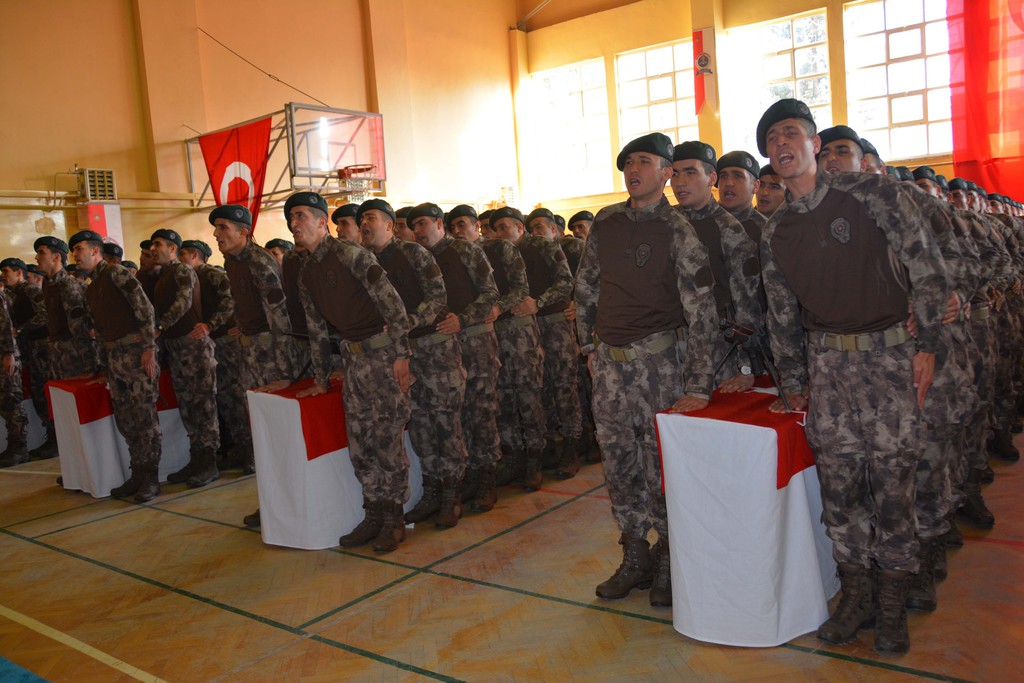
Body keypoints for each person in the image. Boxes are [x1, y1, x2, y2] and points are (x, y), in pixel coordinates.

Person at [756, 98, 949, 653]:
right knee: (840, 490)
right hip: (828, 369)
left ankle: (892, 605)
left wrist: (929, 345)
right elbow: (780, 312)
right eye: (771, 141)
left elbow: (926, 266)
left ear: (815, 143)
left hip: (890, 360)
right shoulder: (777, 230)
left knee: (892, 486)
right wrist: (794, 381)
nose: (780, 146)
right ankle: (855, 594)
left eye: (791, 134)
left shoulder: (873, 194)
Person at [575, 132, 719, 608]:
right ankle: (634, 554)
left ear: (666, 172)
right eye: (628, 163)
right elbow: (586, 288)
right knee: (618, 463)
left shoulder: (678, 227)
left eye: (644, 161)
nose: (633, 169)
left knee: (661, 465)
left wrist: (698, 383)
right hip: (610, 366)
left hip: (660, 363)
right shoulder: (607, 222)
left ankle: (669, 558)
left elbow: (702, 310)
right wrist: (587, 345)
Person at [292, 192, 413, 553]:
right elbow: (316, 329)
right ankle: (373, 513)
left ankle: (393, 518)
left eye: (300, 216)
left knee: (387, 438)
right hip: (353, 361)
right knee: (361, 441)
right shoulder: (306, 271)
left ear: (320, 221)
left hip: (383, 354)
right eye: (290, 218)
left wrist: (402, 355)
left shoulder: (351, 255)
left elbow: (395, 307)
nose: (294, 224)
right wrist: (319, 377)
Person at [360, 199, 471, 525]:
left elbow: (438, 297)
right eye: (361, 218)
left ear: (390, 225)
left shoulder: (413, 254)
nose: (364, 224)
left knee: (445, 423)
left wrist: (406, 322)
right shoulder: (366, 262)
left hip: (435, 351)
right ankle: (433, 491)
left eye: (370, 217)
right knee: (420, 426)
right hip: (402, 355)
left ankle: (452, 494)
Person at [411, 203, 503, 506]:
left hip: (474, 344)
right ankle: (463, 477)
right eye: (414, 226)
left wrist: (462, 319)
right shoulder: (417, 258)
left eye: (423, 223)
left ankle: (487, 478)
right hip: (440, 351)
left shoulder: (466, 251)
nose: (418, 231)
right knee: (455, 418)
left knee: (481, 411)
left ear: (440, 224)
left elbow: (490, 293)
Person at [449, 205, 542, 491]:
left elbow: (520, 288)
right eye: (452, 226)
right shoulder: (454, 255)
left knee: (527, 393)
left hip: (516, 331)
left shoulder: (500, 249)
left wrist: (499, 307)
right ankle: (512, 458)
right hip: (484, 337)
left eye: (462, 224)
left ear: (476, 225)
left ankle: (535, 460)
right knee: (501, 401)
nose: (457, 231)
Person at [213, 204, 295, 526]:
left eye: (223, 228)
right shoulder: (231, 262)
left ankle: (284, 503)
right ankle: (271, 502)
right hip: (249, 353)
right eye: (216, 228)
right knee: (260, 431)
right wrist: (242, 324)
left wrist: (284, 369)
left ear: (244, 232)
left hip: (268, 356)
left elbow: (279, 316)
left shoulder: (260, 261)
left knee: (275, 431)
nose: (216, 234)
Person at [70, 230, 163, 502]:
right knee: (126, 418)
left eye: (78, 248)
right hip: (114, 358)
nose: (75, 255)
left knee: (144, 418)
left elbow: (145, 310)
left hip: (135, 356)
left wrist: (148, 348)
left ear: (96, 251)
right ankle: (137, 473)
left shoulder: (117, 273)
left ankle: (150, 478)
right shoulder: (92, 286)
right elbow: (98, 329)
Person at [671, 141, 763, 390]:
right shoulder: (665, 222)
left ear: (710, 178)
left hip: (719, 349)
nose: (680, 182)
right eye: (675, 173)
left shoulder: (729, 228)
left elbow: (748, 305)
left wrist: (746, 367)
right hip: (667, 348)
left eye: (690, 172)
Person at [509, 207, 582, 480]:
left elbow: (566, 282)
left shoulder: (547, 247)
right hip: (528, 329)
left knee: (564, 384)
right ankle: (551, 444)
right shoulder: (510, 252)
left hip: (555, 323)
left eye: (542, 225)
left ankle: (572, 446)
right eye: (534, 226)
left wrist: (538, 303)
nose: (538, 231)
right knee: (539, 388)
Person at [148, 229, 220, 488]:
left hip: (194, 349)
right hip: (177, 348)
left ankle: (210, 463)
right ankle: (197, 458)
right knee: (188, 407)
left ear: (172, 248)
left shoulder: (183, 271)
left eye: (158, 244)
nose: (153, 249)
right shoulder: (162, 276)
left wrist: (159, 327)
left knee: (203, 406)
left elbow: (184, 302)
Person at [179, 239, 249, 470]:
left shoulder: (210, 274)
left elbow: (231, 301)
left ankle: (250, 453)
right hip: (213, 343)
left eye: (183, 255)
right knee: (224, 400)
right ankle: (237, 449)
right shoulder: (189, 279)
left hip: (227, 342)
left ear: (194, 256)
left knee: (236, 397)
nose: (180, 261)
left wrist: (210, 324)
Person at [1, 257, 55, 458]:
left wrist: (20, 329)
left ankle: (55, 438)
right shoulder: (8, 294)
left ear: (19, 273)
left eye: (7, 271)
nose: (4, 276)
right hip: (27, 349)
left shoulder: (30, 290)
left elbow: (44, 315)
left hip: (40, 348)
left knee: (44, 391)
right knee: (37, 392)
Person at [35, 236, 99, 381]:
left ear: (56, 257)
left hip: (75, 357)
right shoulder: (48, 284)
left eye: (41, 253)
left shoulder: (68, 286)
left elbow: (80, 330)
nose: (37, 257)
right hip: (57, 354)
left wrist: (90, 366)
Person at [0, 289, 28, 468]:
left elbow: (5, 324)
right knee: (5, 402)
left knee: (12, 400)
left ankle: (19, 448)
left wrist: (9, 353)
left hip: (5, 356)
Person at [716, 151, 766, 243]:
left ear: (755, 186)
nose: (728, 183)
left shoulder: (766, 230)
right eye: (723, 176)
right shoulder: (697, 222)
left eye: (738, 176)